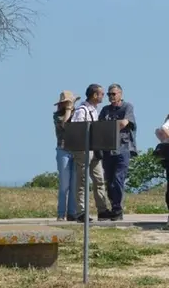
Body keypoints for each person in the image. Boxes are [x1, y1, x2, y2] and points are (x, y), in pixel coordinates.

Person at [70, 84, 110, 222]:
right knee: (82, 181)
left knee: (99, 180)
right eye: (101, 94)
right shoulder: (82, 110)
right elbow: (76, 129)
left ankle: (102, 210)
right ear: (94, 95)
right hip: (83, 149)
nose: (103, 97)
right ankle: (81, 212)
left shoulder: (94, 110)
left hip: (94, 148)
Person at [98, 83, 137, 221]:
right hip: (108, 151)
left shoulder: (127, 107)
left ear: (120, 94)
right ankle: (114, 206)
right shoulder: (105, 110)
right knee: (109, 181)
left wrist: (109, 128)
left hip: (123, 149)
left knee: (117, 179)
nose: (111, 97)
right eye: (109, 94)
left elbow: (125, 123)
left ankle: (117, 209)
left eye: (113, 94)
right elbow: (100, 127)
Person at [53, 91, 78, 221]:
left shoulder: (78, 113)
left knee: (75, 184)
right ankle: (61, 213)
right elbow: (65, 125)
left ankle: (72, 213)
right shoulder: (57, 116)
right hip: (63, 150)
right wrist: (68, 109)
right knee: (64, 184)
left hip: (76, 150)